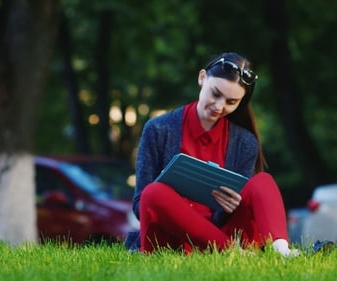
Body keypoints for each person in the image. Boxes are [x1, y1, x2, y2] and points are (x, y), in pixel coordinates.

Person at [125, 51, 299, 257]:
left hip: (221, 232)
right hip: (169, 240)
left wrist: (228, 206)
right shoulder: (158, 129)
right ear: (202, 78)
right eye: (215, 94)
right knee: (153, 193)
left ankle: (281, 250)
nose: (219, 106)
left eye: (231, 102)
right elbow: (140, 205)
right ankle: (233, 253)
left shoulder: (245, 142)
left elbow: (241, 204)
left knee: (263, 181)